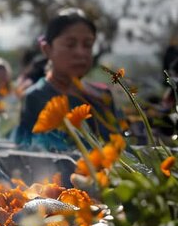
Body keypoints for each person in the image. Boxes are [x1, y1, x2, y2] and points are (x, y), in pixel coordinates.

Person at [14, 9, 121, 151]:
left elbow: (117, 149)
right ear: (47, 50)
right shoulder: (35, 97)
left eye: (88, 45)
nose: (80, 53)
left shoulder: (102, 96)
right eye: (70, 45)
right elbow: (26, 154)